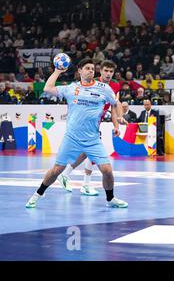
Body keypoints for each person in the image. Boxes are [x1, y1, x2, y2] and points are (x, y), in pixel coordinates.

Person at [25, 58, 128, 208]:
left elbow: (115, 103)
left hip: (92, 139)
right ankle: (37, 194)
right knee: (56, 171)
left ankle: (110, 199)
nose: (91, 71)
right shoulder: (71, 88)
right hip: (72, 138)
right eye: (87, 68)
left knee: (107, 170)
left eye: (92, 69)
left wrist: (117, 120)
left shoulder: (103, 88)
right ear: (79, 70)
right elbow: (47, 88)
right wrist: (57, 71)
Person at [56, 60, 126, 196]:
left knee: (88, 152)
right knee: (89, 152)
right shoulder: (90, 82)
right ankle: (81, 182)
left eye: (111, 72)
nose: (108, 74)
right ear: (100, 71)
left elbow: (114, 106)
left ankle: (75, 178)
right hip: (85, 122)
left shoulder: (115, 86)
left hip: (97, 120)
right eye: (106, 71)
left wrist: (116, 124)